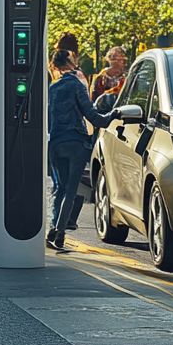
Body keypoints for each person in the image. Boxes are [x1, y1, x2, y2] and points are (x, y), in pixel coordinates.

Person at [46, 49, 116, 252]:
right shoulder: (76, 84)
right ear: (69, 61)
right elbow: (93, 117)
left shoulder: (52, 87)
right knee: (71, 189)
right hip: (75, 142)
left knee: (59, 187)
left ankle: (53, 228)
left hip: (55, 143)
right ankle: (59, 232)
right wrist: (114, 114)